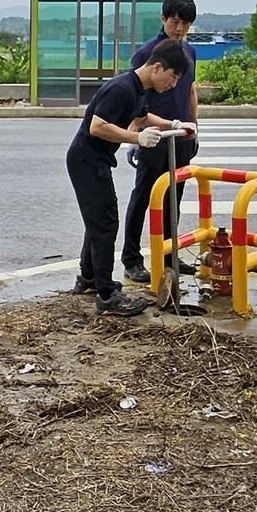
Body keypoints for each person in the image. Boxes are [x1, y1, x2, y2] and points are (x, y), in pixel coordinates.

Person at [66, 38, 194, 316]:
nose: (172, 85)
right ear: (158, 68)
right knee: (106, 223)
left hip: (96, 160)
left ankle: (88, 278)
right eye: (172, 78)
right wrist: (136, 137)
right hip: (87, 160)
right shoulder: (122, 88)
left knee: (98, 220)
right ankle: (106, 294)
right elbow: (97, 126)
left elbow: (144, 116)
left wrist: (173, 124)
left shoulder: (139, 89)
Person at [122, 0, 200, 284]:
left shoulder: (189, 52)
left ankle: (170, 255)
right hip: (155, 136)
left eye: (185, 24)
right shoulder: (148, 54)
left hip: (181, 137)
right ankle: (131, 259)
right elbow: (136, 100)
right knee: (143, 197)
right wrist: (135, 137)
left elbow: (191, 89)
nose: (179, 29)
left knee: (174, 199)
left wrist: (194, 127)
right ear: (164, 19)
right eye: (175, 22)